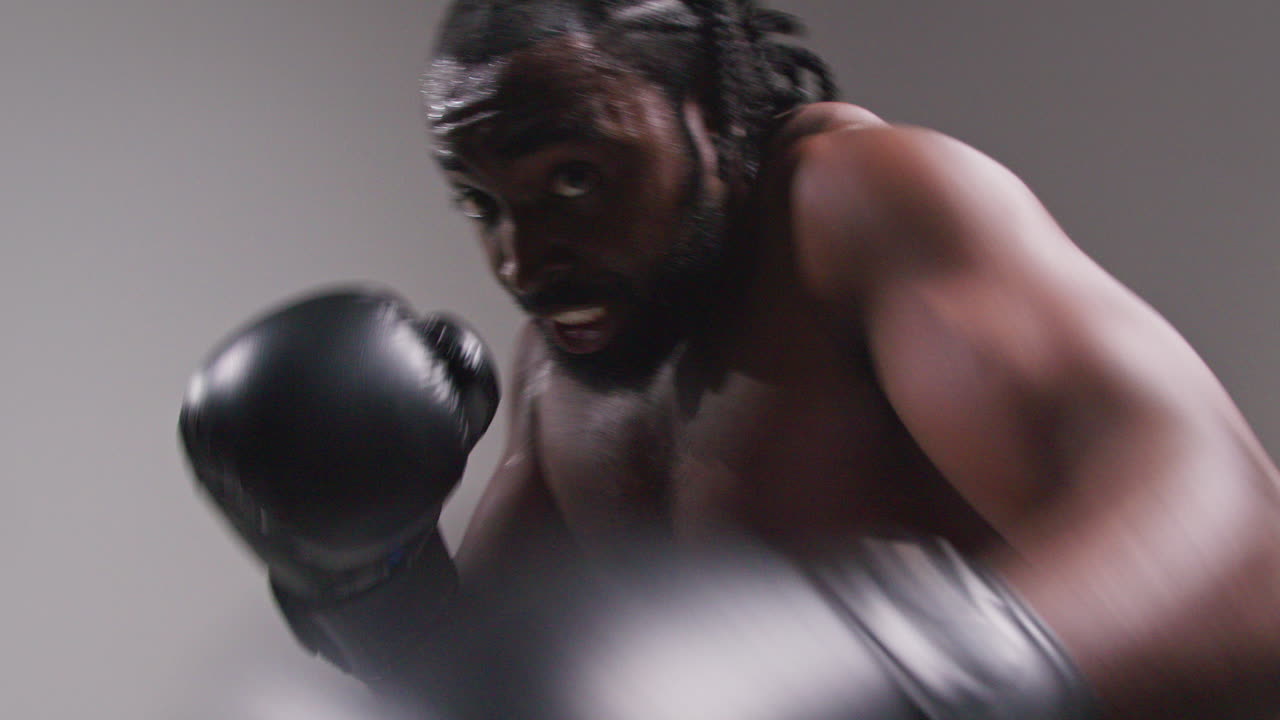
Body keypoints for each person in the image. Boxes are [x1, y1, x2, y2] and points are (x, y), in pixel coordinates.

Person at [180, 1, 1280, 718]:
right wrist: (360, 572)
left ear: (709, 117)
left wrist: (888, 679)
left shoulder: (859, 210)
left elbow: (1243, 549)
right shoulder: (563, 369)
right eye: (481, 203)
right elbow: (494, 689)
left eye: (572, 177)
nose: (518, 258)